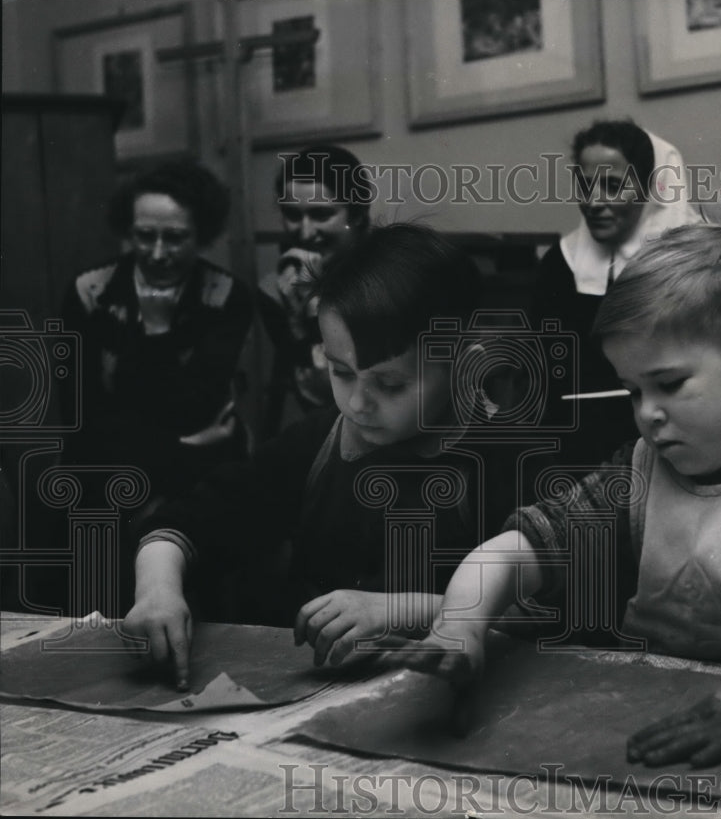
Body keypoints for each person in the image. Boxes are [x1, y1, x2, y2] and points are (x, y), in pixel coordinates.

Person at [374, 224, 721, 766]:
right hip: (644, 731)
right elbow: (515, 551)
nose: (647, 413)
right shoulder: (638, 473)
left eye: (669, 384)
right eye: (632, 390)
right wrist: (460, 624)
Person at [122, 223, 523, 689]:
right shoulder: (320, 442)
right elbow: (188, 521)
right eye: (340, 372)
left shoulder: (503, 456)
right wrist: (157, 590)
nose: (357, 403)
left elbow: (545, 608)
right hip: (317, 693)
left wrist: (395, 610)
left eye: (390, 384)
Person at [61, 159, 254, 514]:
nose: (158, 254)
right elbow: (80, 414)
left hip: (199, 467)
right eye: (145, 236)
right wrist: (184, 446)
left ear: (202, 235)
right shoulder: (89, 292)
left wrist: (158, 329)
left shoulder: (227, 296)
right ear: (128, 231)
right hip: (111, 466)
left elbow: (199, 405)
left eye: (176, 238)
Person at [531, 119, 702, 468]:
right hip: (573, 445)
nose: (594, 202)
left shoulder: (693, 260)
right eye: (585, 185)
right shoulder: (559, 263)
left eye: (612, 185)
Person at [258, 145, 374, 438]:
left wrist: (314, 309)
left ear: (357, 214)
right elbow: (301, 390)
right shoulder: (275, 287)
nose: (305, 232)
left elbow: (355, 397)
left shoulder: (391, 277)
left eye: (321, 214)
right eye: (292, 215)